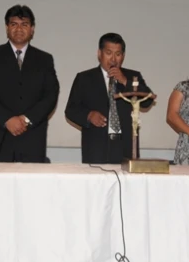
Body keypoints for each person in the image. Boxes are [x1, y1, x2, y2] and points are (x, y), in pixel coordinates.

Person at [0, 5, 59, 163]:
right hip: (0, 137)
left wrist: (26, 119)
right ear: (7, 28)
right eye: (14, 24)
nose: (19, 29)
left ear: (32, 29)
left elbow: (51, 95)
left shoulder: (44, 59)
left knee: (32, 186)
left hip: (33, 137)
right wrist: (7, 119)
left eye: (24, 24)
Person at [65, 33, 152, 164]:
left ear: (123, 56)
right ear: (99, 54)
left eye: (118, 54)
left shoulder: (133, 76)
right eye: (108, 53)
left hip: (126, 147)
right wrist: (88, 115)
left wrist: (125, 81)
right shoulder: (84, 78)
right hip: (96, 148)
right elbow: (71, 110)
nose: (113, 59)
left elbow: (148, 101)